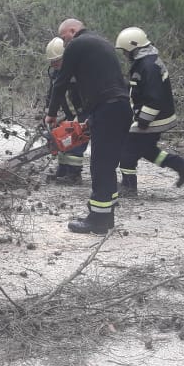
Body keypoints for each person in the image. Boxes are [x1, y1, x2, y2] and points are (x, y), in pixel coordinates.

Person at [46, 19, 132, 234]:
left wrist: (51, 113)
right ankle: (106, 216)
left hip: (107, 109)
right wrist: (90, 118)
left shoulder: (78, 44)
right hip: (120, 107)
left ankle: (98, 222)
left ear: (73, 31)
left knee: (100, 166)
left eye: (64, 38)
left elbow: (61, 81)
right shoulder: (101, 43)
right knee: (107, 164)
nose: (65, 44)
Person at [115, 26, 184, 195]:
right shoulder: (146, 62)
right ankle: (182, 166)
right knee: (148, 151)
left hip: (152, 119)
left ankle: (129, 187)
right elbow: (142, 89)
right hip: (157, 117)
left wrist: (143, 121)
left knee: (127, 151)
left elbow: (154, 97)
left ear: (133, 47)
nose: (124, 55)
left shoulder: (148, 66)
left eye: (125, 51)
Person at [44, 36, 86, 184]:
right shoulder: (56, 74)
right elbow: (53, 92)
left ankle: (74, 175)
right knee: (61, 138)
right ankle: (62, 170)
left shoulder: (79, 71)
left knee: (76, 141)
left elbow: (86, 94)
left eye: (57, 60)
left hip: (83, 111)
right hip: (68, 112)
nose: (54, 64)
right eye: (52, 61)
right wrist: (50, 111)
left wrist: (81, 115)